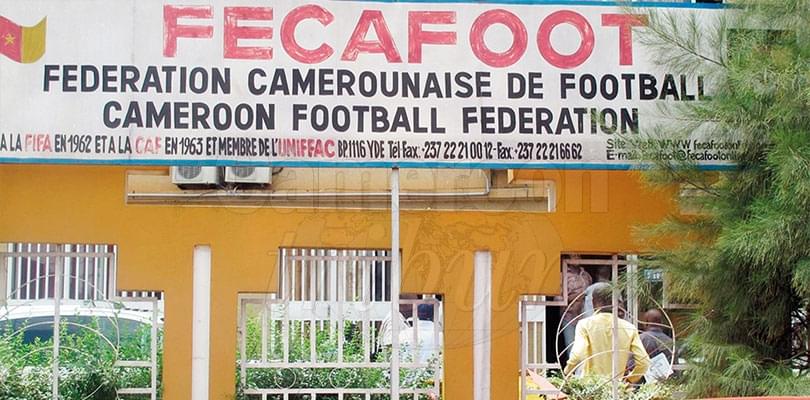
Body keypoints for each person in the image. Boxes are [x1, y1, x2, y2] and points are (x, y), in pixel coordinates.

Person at [564, 282, 650, 383]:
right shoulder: (629, 328)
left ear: (593, 302)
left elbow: (577, 355)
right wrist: (630, 380)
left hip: (591, 386)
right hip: (617, 387)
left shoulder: (585, 325)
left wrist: (567, 372)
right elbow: (644, 362)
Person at [560, 256, 592, 357]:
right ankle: (573, 367)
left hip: (586, 316)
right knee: (572, 348)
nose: (577, 257)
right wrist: (573, 297)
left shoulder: (586, 275)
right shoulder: (562, 276)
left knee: (587, 348)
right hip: (569, 317)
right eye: (574, 255)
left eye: (578, 255)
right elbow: (557, 299)